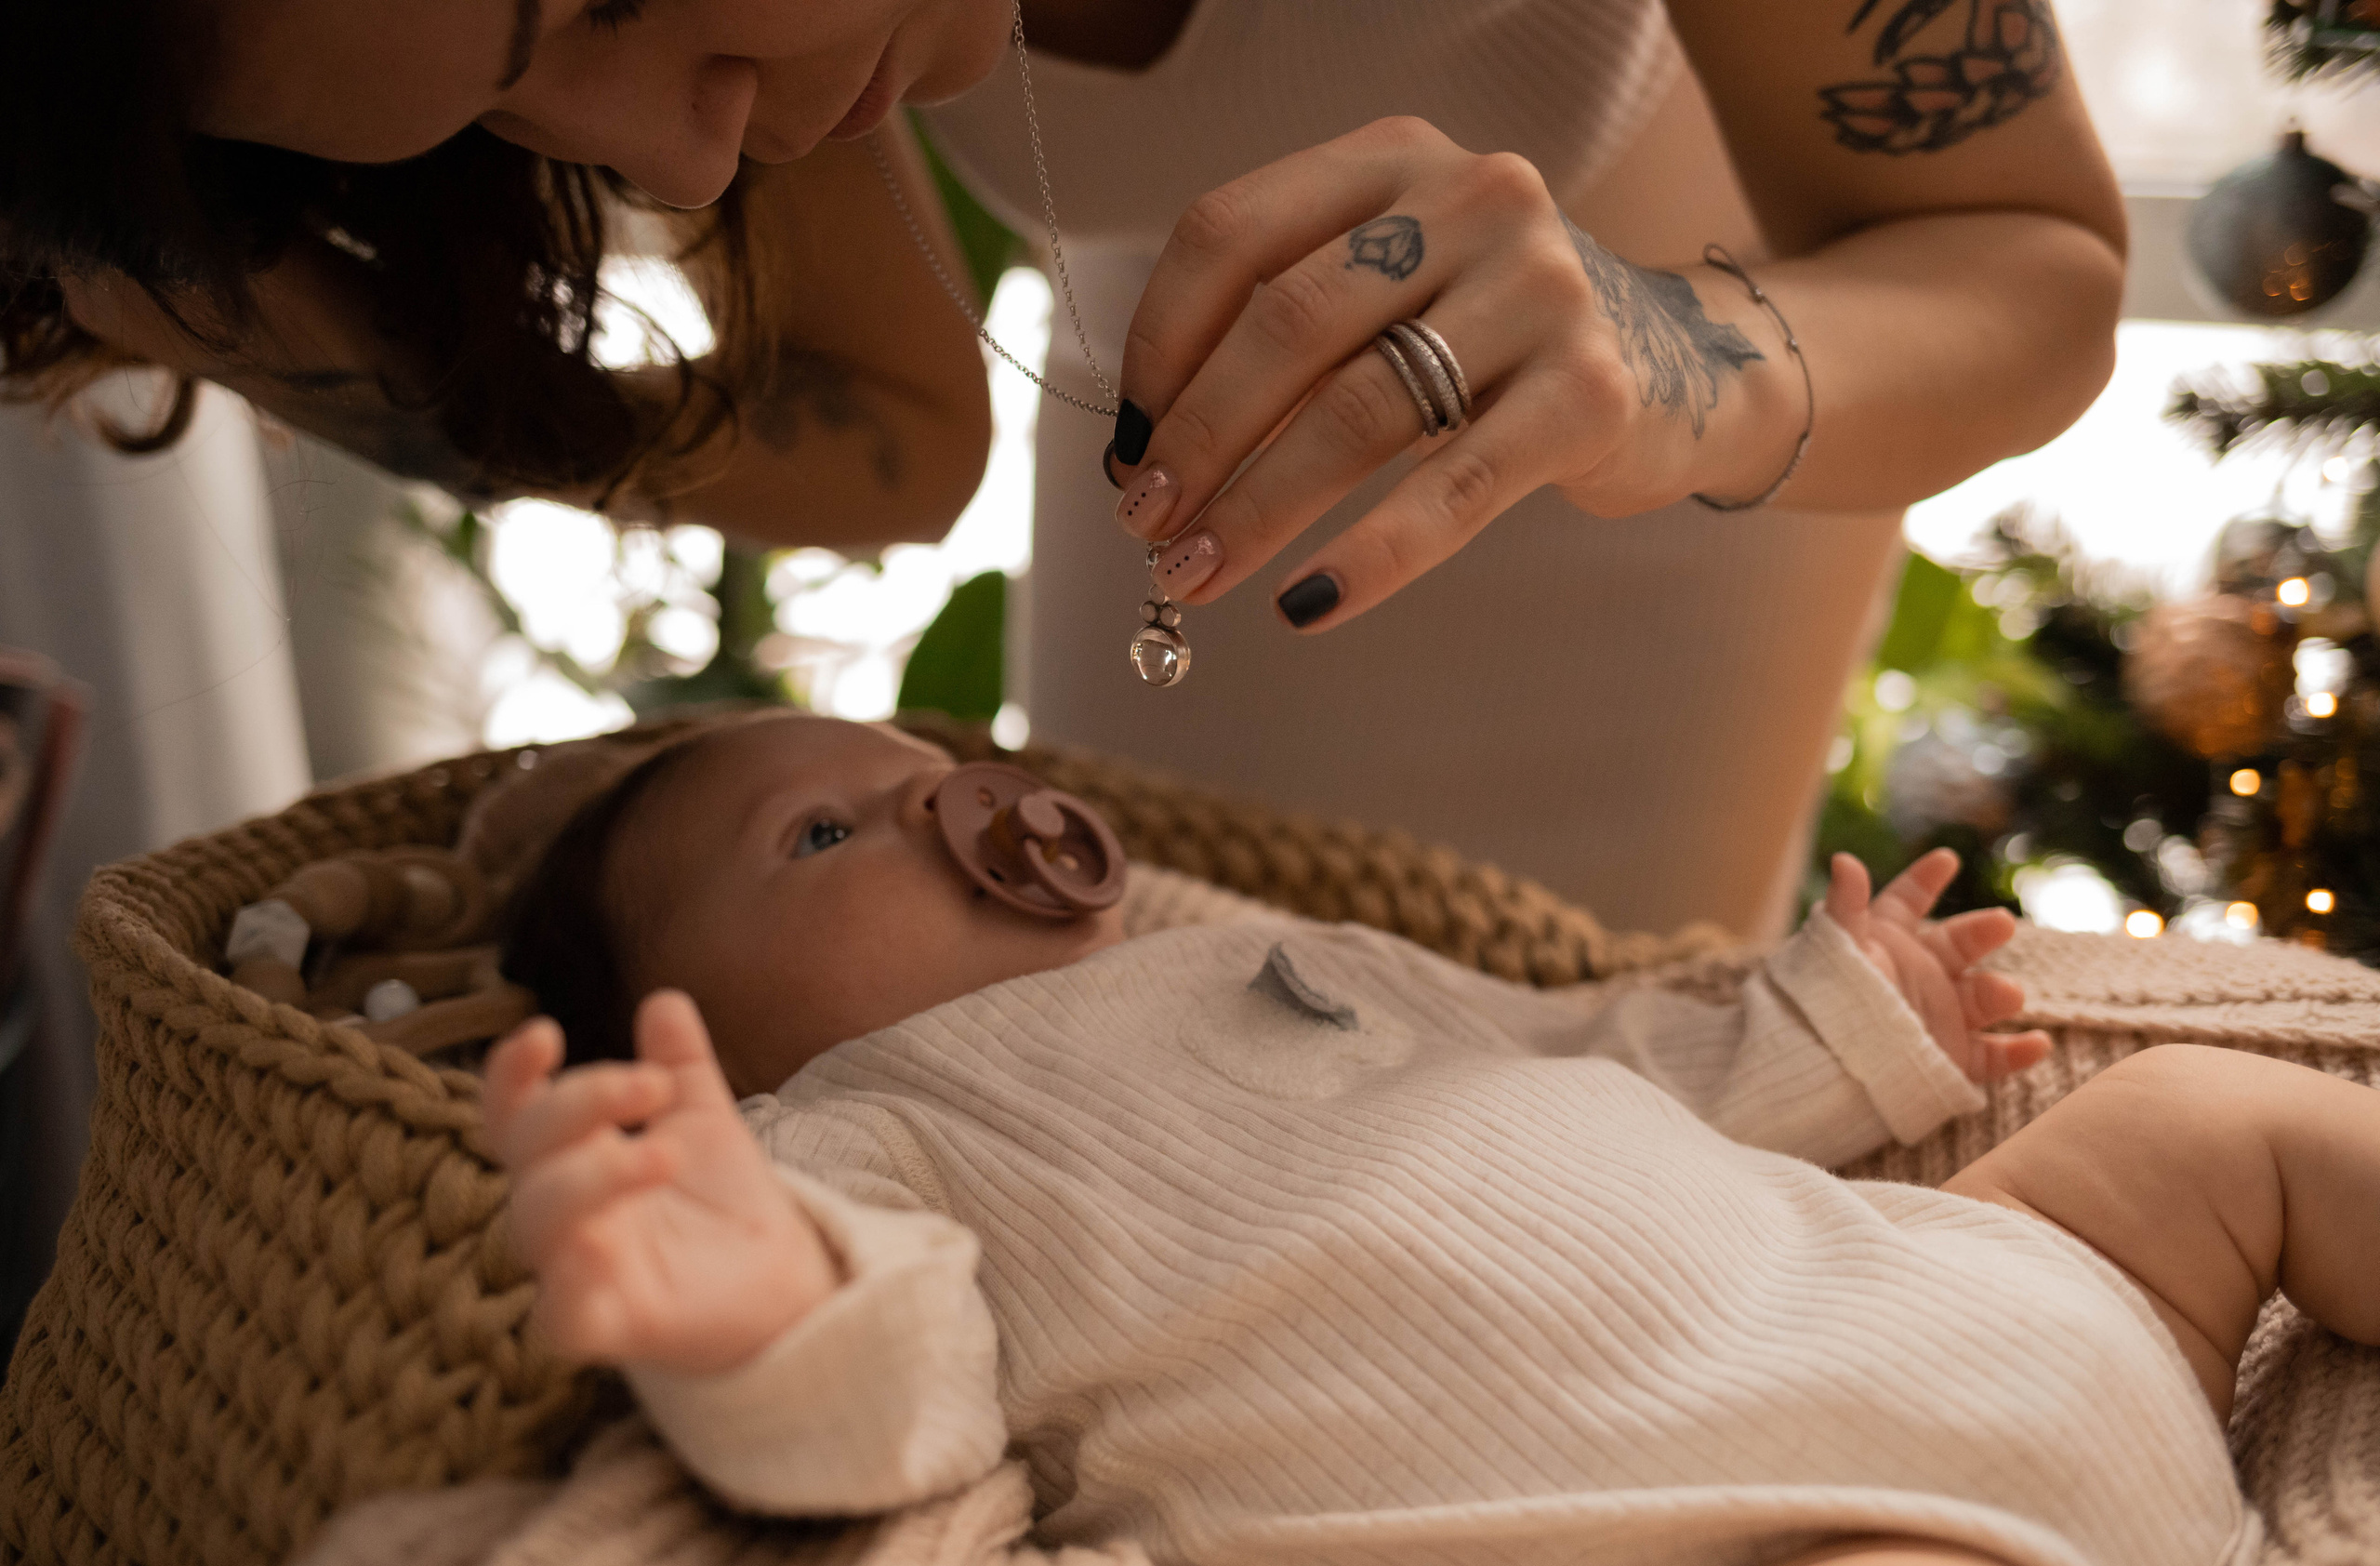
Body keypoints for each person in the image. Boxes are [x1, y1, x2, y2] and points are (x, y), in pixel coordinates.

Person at [3, 0, 2126, 935]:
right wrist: (221, 308)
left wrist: (1670, 354)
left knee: (1607, 1157)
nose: (663, 154)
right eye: (530, 116)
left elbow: (2029, 255)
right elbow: (892, 437)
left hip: (1675, 462)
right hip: (1194, 454)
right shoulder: (730, 62)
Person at [481, 708, 2376, 1566]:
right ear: (710, 1048)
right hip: (1807, 1526)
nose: (927, 813)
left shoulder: (1265, 954)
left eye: (917, 777)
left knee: (2203, 1116)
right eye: (822, 839)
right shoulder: (858, 1134)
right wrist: (749, 1304)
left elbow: (1599, 1047)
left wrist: (1832, 1022)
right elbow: (883, 1385)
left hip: (1973, 1288)